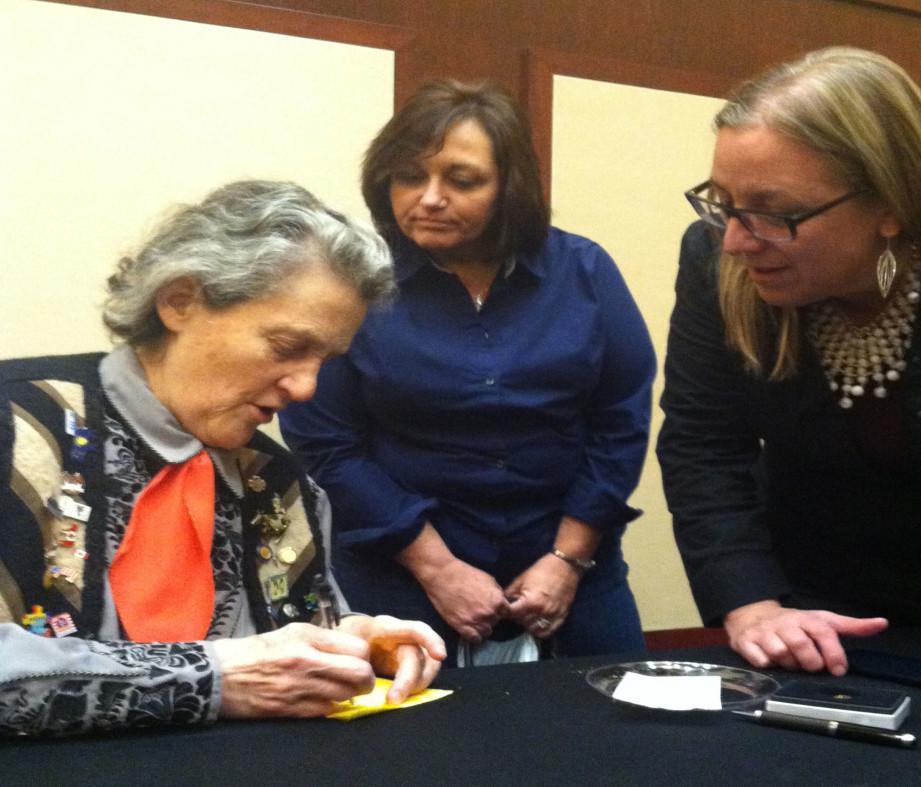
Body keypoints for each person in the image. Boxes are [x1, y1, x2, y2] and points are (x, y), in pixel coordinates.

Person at [0, 180, 446, 736]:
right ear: (180, 301)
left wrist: (357, 643)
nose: (307, 388)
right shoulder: (19, 428)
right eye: (287, 347)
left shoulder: (276, 478)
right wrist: (211, 677)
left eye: (325, 360)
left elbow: (291, 636)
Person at [656, 47, 921, 701]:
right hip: (823, 630)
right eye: (724, 202)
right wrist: (752, 604)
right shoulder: (715, 259)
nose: (736, 241)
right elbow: (703, 443)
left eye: (775, 212)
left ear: (891, 203)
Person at [281, 80, 655, 665]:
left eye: (462, 180)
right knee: (406, 750)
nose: (428, 198)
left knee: (620, 733)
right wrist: (439, 569)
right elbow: (326, 444)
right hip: (398, 564)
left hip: (572, 561)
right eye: (409, 177)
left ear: (511, 188)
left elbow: (620, 421)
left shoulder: (584, 270)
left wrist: (567, 560)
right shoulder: (353, 280)